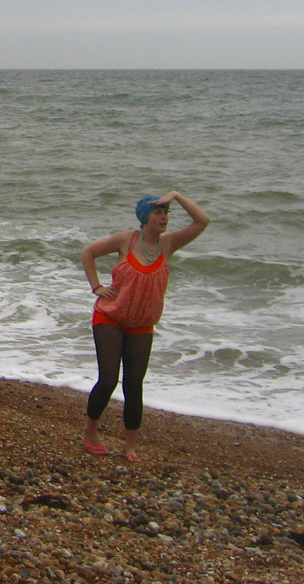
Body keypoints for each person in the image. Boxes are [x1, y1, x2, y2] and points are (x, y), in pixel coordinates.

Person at [79, 191, 209, 461]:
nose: (164, 218)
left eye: (166, 213)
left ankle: (130, 447)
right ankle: (90, 433)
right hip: (110, 317)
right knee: (108, 379)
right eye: (158, 213)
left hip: (141, 324)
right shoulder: (125, 240)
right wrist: (97, 287)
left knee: (134, 384)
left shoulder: (168, 244)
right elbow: (88, 253)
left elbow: (202, 221)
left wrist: (176, 196)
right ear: (144, 217)